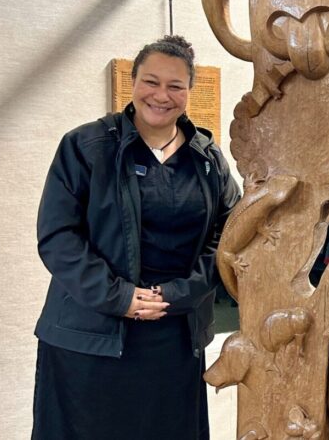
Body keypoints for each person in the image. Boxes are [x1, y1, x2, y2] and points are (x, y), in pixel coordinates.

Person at [32, 36, 241, 440]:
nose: (161, 95)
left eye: (175, 86)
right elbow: (58, 236)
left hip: (174, 336)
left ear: (188, 92)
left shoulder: (207, 159)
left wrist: (182, 292)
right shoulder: (86, 146)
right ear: (133, 82)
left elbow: (230, 234)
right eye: (151, 81)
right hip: (90, 336)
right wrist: (120, 297)